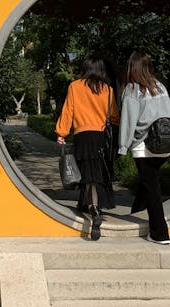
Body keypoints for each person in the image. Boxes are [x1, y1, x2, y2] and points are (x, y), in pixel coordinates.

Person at [118, 51, 170, 245]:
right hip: (165, 143)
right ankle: (138, 209)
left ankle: (160, 233)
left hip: (143, 146)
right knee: (150, 182)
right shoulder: (160, 86)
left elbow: (128, 121)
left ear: (132, 68)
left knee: (152, 188)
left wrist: (123, 147)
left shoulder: (132, 90)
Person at [55, 57, 119, 241]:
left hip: (82, 136)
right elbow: (114, 116)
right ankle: (91, 206)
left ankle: (93, 208)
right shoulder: (107, 89)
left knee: (87, 174)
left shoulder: (75, 86)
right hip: (100, 137)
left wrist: (62, 132)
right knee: (96, 173)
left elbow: (69, 110)